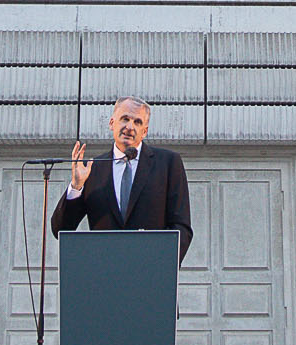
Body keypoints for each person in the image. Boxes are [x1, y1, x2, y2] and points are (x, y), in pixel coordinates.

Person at [51, 97, 194, 262]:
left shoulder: (168, 163)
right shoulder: (92, 168)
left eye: (137, 122)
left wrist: (163, 268)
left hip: (151, 273)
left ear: (144, 131)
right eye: (125, 119)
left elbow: (181, 227)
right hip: (103, 275)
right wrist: (76, 187)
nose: (130, 127)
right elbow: (61, 229)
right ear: (112, 123)